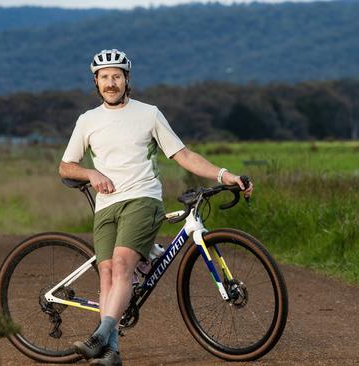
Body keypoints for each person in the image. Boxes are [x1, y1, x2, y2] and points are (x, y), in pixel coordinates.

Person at [59, 49, 253, 366]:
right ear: (96, 82)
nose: (111, 82)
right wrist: (90, 173)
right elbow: (66, 166)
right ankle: (112, 353)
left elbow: (183, 155)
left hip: (143, 199)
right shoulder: (87, 121)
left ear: (127, 80)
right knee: (107, 274)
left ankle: (100, 334)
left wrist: (224, 174)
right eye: (105, 77)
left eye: (117, 76)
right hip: (106, 205)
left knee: (121, 265)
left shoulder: (149, 114)